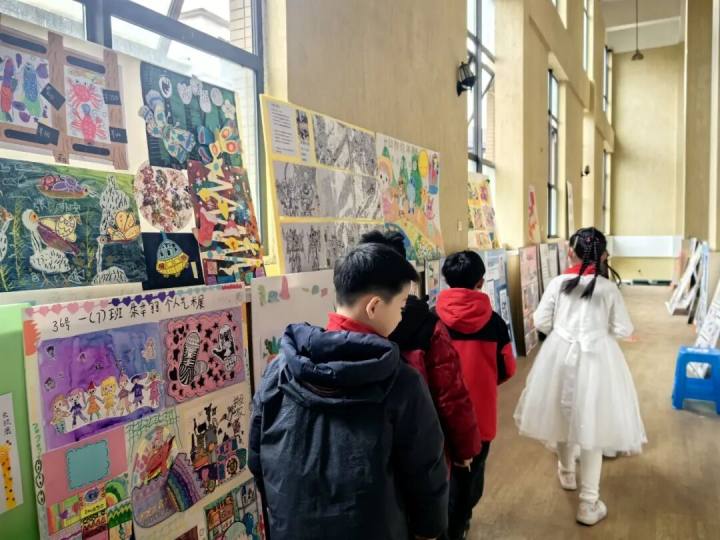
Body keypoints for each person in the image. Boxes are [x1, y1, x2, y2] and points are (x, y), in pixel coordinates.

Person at [249, 243, 449, 540]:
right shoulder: (401, 381)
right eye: (401, 306)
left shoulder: (278, 370)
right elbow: (425, 472)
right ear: (374, 307)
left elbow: (257, 458)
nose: (401, 316)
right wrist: (429, 530)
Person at [514, 227, 646, 526]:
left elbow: (541, 321)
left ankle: (566, 471)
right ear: (603, 255)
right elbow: (623, 328)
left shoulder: (558, 284)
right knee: (592, 425)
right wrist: (599, 332)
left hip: (558, 356)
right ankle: (589, 502)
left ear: (570, 252)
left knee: (560, 415)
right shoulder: (607, 289)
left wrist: (564, 332)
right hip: (598, 360)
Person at [359, 230, 482, 468]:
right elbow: (450, 395)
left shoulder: (346, 330)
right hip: (423, 452)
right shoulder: (428, 326)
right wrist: (465, 448)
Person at [435, 251, 517, 540]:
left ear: (446, 280)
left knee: (439, 469)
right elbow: (508, 368)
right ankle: (461, 522)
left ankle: (440, 524)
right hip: (479, 416)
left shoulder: (432, 320)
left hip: (439, 414)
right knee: (472, 472)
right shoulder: (495, 323)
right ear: (481, 282)